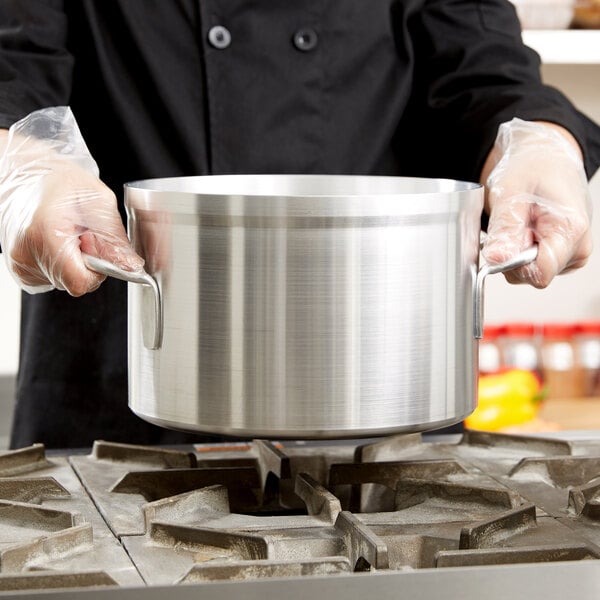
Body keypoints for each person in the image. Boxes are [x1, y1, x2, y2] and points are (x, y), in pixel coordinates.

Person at [0, 1, 599, 449]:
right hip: (118, 394)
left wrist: (540, 146)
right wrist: (24, 164)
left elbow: (483, 69)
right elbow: (11, 58)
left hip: (387, 399)